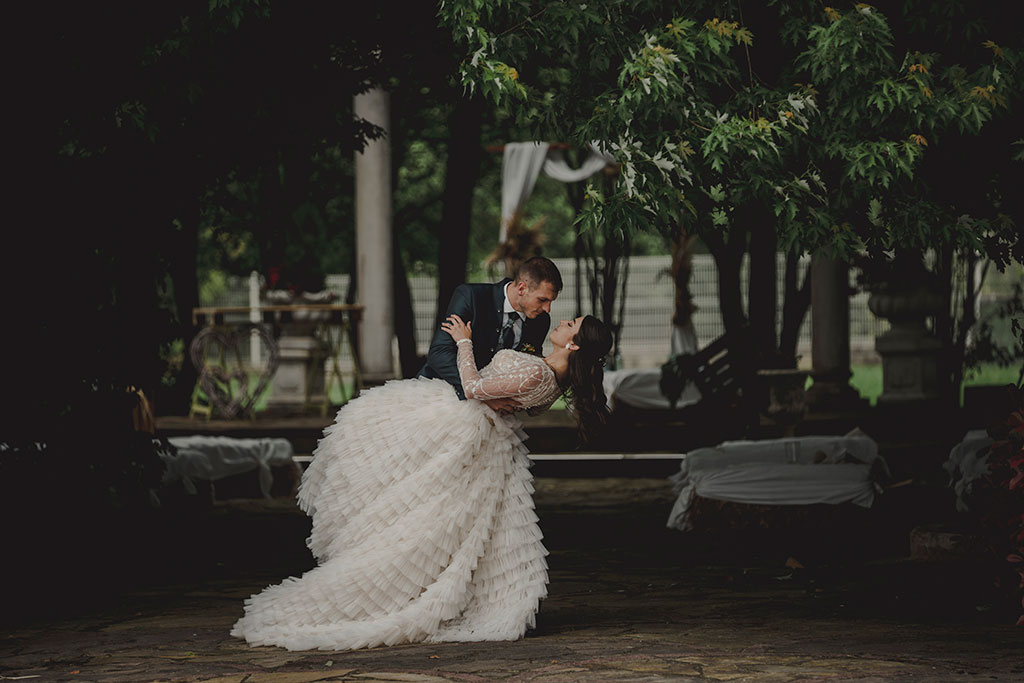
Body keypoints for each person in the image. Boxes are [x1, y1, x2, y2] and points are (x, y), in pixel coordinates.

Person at [231, 312, 613, 651]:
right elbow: (502, 398)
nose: (562, 322)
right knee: (422, 501)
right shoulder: (553, 378)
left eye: (571, 324)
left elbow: (474, 388)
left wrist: (464, 342)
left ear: (575, 343)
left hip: (462, 427)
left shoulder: (537, 372)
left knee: (409, 489)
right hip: (483, 435)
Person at [418, 257, 562, 414]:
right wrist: (484, 396)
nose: (547, 309)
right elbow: (439, 353)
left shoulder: (540, 321)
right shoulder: (471, 296)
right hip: (438, 396)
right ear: (522, 288)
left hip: (492, 414)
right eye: (542, 300)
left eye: (550, 302)